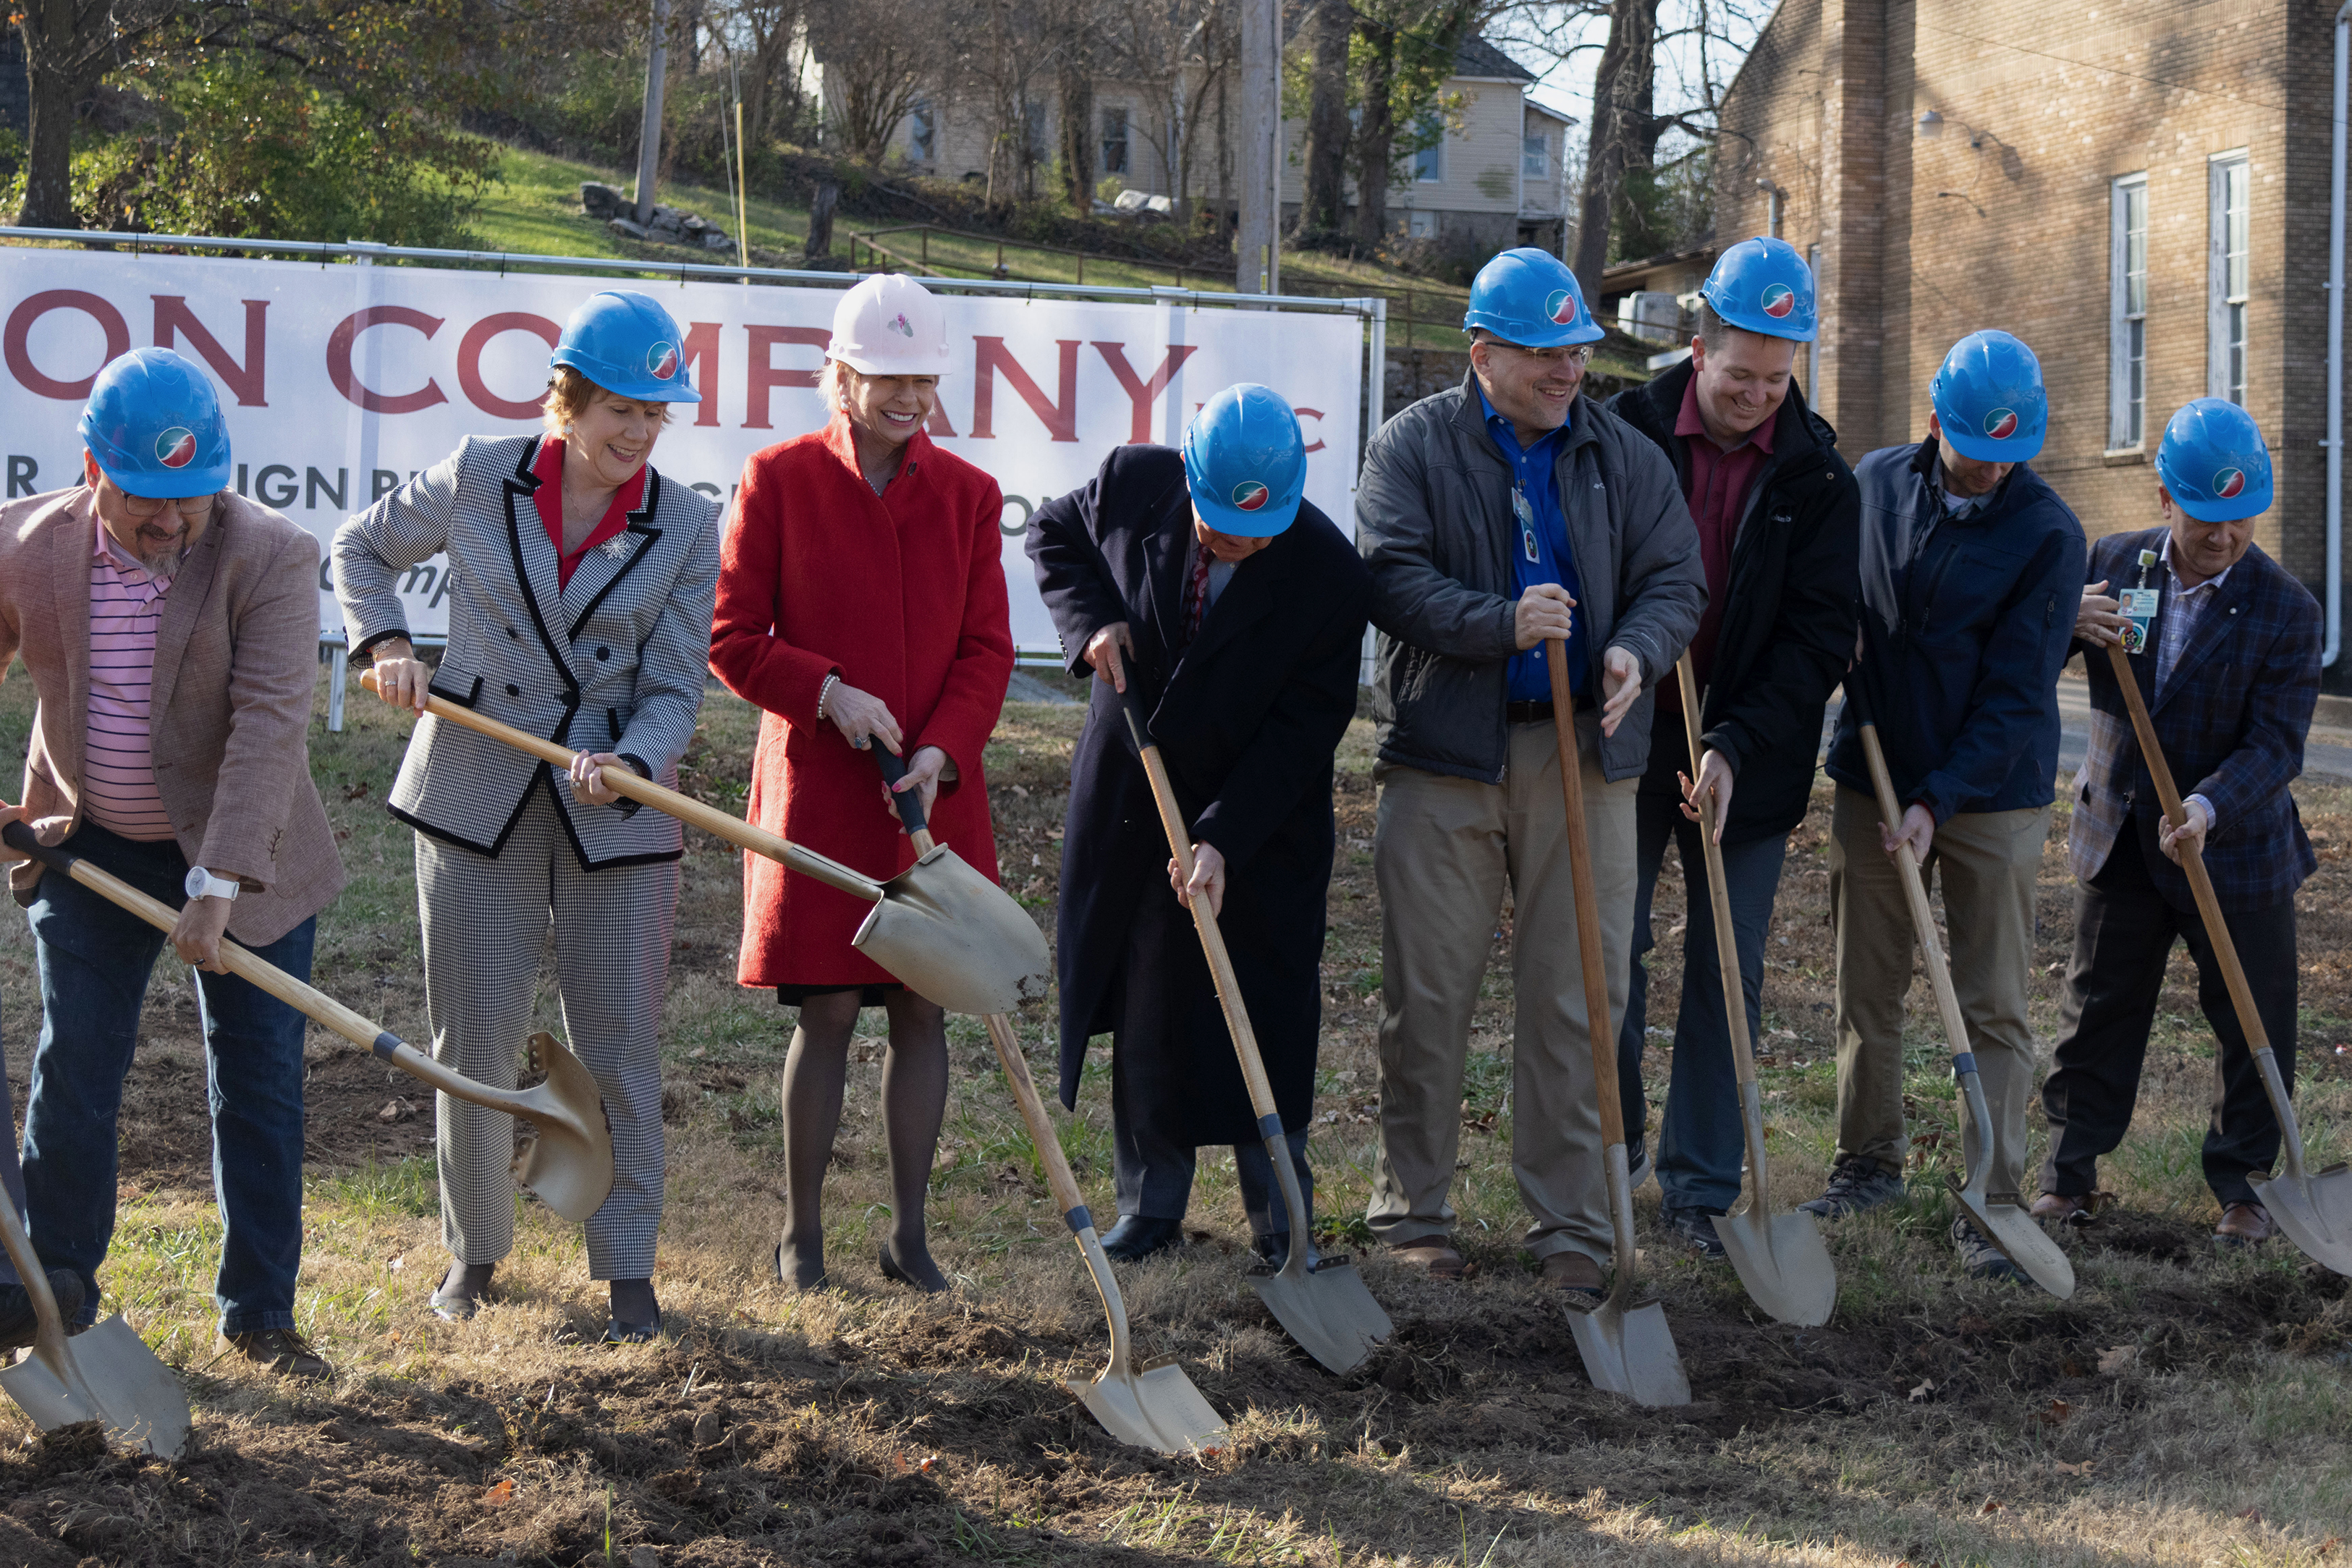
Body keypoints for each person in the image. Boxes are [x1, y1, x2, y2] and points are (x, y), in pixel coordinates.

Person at [339, 290, 721, 1342]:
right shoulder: (474, 474)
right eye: (620, 411)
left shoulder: (688, 523)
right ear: (567, 401)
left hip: (616, 809)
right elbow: (358, 549)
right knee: (475, 1039)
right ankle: (476, 1251)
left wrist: (636, 758)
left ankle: (628, 1269)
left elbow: (675, 685)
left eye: (656, 414)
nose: (639, 434)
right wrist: (385, 644)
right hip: (474, 784)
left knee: (618, 1041)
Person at [1356, 247, 1706, 1293]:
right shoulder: (1409, 447)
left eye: (1578, 352)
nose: (1568, 372)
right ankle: (1413, 1212)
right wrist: (1499, 624)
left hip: (1584, 759)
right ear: (1483, 353)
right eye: (1547, 354)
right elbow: (1387, 577)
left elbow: (1675, 577)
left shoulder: (1624, 453)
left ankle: (1570, 1227)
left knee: (1577, 997)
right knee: (1427, 992)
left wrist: (1633, 650)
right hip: (1441, 757)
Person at [0, 347, 345, 1378]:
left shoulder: (271, 554)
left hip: (248, 858)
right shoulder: (24, 545)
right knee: (79, 1067)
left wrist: (219, 882)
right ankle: (53, 1286)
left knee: (259, 1080)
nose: (171, 523)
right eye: (148, 499)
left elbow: (271, 724)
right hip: (90, 844)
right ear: (93, 469)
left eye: (193, 499)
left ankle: (261, 1313)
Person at [710, 274, 1013, 1294]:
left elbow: (986, 648)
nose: (907, 398)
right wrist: (826, 692)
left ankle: (909, 1233)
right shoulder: (777, 479)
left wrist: (942, 748)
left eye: (921, 379)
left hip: (931, 790)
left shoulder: (969, 496)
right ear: (836, 376)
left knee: (922, 1007)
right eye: (886, 378)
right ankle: (801, 1235)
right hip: (823, 788)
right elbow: (733, 639)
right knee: (830, 1007)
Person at [1026, 386, 1371, 1263]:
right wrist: (1093, 620)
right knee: (1148, 1007)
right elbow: (1054, 535)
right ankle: (1151, 1207)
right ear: (1187, 475)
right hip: (1137, 800)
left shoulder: (1328, 573)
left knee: (1267, 1011)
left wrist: (1222, 835)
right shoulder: (1132, 484)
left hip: (1261, 820)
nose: (1240, 544)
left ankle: (1279, 1216)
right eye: (1221, 526)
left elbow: (1304, 732)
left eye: (1259, 531)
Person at [1604, 237, 1861, 1258]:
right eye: (1738, 373)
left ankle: (1699, 1185)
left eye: (1776, 376)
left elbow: (1816, 637)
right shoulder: (1619, 434)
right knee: (1605, 959)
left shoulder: (1819, 478)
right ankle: (1606, 1159)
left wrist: (1736, 744)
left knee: (1725, 967)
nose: (1757, 394)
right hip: (1625, 738)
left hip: (1747, 754)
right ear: (1699, 344)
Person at [1812, 330, 2086, 1282]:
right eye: (1977, 457)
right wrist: (1833, 628)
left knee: (1992, 1000)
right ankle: (1864, 1161)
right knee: (1867, 980)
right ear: (1935, 425)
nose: (1991, 477)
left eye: (2011, 459)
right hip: (1872, 761)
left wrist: (1938, 798)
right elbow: (1830, 588)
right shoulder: (1877, 481)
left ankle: (1993, 1193)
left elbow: (2018, 694)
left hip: (1991, 790)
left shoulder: (2048, 532)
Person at [2037, 399, 2319, 1243]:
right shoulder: (2113, 564)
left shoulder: (2287, 609)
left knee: (2252, 1015)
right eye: (2206, 518)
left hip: (2235, 847)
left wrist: (2204, 806)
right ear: (2165, 496)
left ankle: (2243, 1183)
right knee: (2099, 1007)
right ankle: (2068, 1173)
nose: (2224, 536)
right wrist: (2063, 621)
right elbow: (2027, 655)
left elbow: (2278, 745)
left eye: (2240, 519)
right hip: (2122, 833)